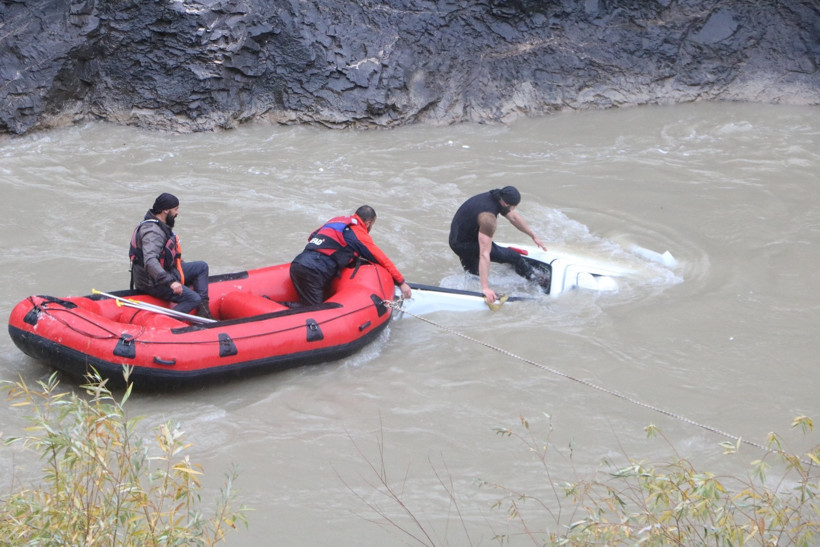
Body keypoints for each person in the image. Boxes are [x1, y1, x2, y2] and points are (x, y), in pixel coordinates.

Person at [290, 205, 412, 306]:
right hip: (314, 271)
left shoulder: (337, 220)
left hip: (298, 263)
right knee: (315, 313)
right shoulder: (358, 233)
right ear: (368, 223)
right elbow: (382, 259)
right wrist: (401, 283)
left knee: (309, 303)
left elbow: (312, 236)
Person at [449, 186, 550, 303]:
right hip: (464, 244)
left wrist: (533, 235)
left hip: (457, 238)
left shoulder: (495, 197)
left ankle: (472, 292)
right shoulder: (488, 219)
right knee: (513, 256)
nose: (513, 209)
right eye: (513, 207)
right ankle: (536, 280)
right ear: (507, 204)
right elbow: (484, 254)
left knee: (473, 276)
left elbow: (514, 217)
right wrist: (486, 288)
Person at [128, 193, 214, 319]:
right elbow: (150, 262)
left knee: (201, 267)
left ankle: (204, 311)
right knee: (193, 299)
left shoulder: (160, 224)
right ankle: (165, 322)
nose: (177, 213)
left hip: (166, 271)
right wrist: (171, 282)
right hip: (152, 282)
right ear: (165, 211)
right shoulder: (152, 232)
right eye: (175, 209)